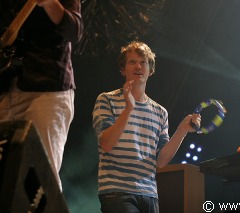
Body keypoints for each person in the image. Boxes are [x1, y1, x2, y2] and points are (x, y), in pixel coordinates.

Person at [92, 41, 201, 213]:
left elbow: (161, 161)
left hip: (149, 194)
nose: (138, 66)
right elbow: (106, 143)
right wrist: (129, 108)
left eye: (143, 62)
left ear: (151, 70)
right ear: (123, 70)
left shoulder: (160, 112)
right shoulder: (106, 100)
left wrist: (182, 131)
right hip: (117, 191)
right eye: (132, 62)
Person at [0, 0, 83, 191]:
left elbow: (75, 31)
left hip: (47, 89)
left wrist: (50, 4)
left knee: (41, 179)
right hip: (5, 90)